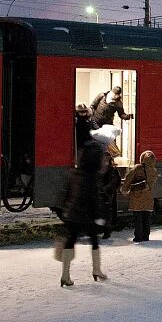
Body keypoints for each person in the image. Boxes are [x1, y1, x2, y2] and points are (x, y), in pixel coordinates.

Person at [57, 141, 108, 287]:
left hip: (72, 214)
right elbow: (95, 198)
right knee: (94, 241)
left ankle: (65, 275)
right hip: (87, 216)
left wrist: (64, 210)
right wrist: (99, 216)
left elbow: (66, 193)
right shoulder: (94, 176)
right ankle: (96, 270)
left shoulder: (74, 173)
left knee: (70, 241)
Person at [122, 151, 157, 242]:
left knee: (138, 218)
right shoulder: (154, 170)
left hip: (137, 196)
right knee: (146, 218)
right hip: (148, 198)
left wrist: (124, 189)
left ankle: (138, 237)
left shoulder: (138, 168)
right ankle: (146, 237)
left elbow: (129, 179)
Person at [90, 86, 133, 157]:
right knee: (97, 142)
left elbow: (121, 114)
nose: (116, 96)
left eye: (118, 95)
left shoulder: (118, 103)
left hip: (107, 125)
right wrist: (91, 117)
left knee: (110, 142)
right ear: (111, 92)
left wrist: (128, 116)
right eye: (115, 94)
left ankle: (111, 159)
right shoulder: (102, 95)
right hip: (96, 122)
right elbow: (93, 105)